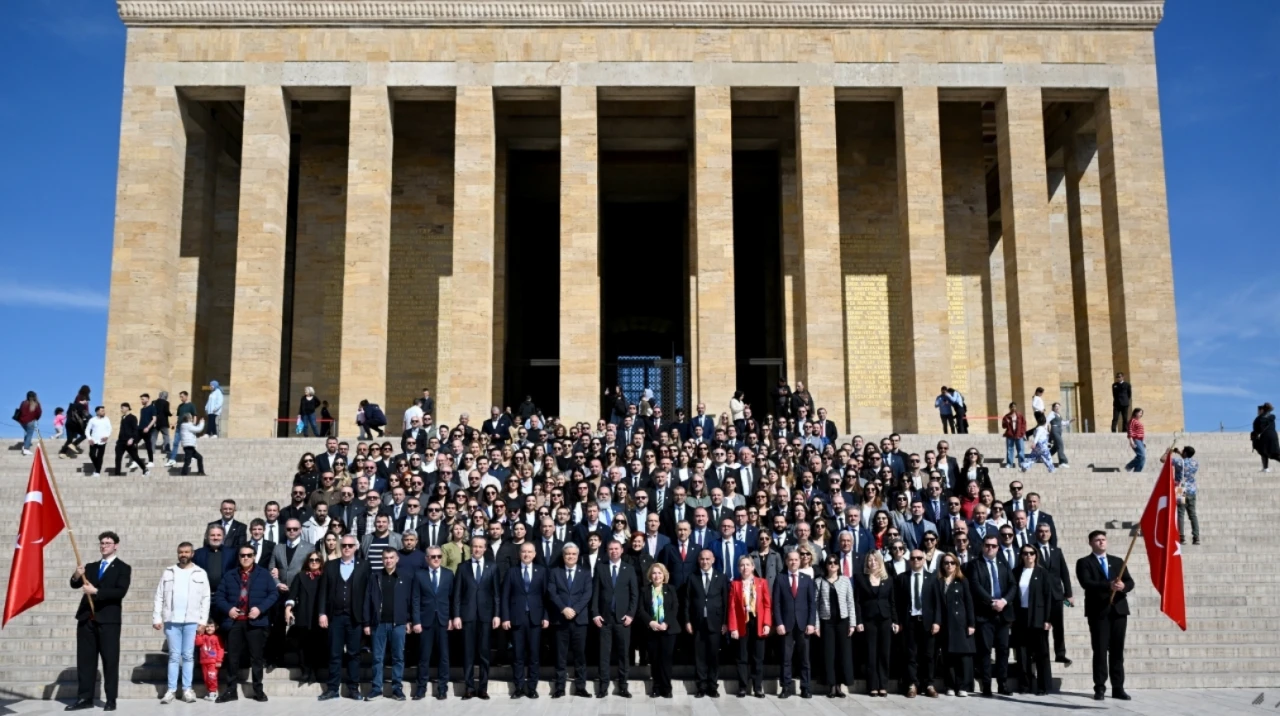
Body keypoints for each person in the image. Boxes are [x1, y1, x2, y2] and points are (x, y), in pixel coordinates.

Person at [66, 531, 132, 713]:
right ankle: (84, 698)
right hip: (86, 620)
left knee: (110, 661)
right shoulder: (91, 566)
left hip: (108, 621)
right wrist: (77, 575)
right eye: (102, 543)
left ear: (116, 545)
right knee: (85, 661)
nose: (104, 546)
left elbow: (120, 592)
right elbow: (74, 584)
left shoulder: (123, 568)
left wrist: (96, 592)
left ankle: (111, 699)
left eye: (108, 543)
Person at [213, 543, 277, 702]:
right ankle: (230, 691)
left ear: (254, 557)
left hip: (256, 623)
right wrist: (229, 610)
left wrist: (260, 609)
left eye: (249, 555)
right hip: (235, 622)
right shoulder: (230, 575)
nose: (246, 558)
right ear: (239, 557)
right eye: (242, 555)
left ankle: (258, 690)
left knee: (256, 658)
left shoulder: (263, 574)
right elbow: (219, 597)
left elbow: (273, 594)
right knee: (233, 658)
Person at [1075, 530, 1133, 701]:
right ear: (1091, 543)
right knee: (1100, 650)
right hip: (1098, 611)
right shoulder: (1084, 562)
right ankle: (1099, 687)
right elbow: (1087, 583)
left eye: (1103, 539)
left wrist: (1123, 586)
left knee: (1117, 651)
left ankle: (1118, 687)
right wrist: (1109, 586)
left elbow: (1130, 581)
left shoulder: (1118, 561)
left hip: (1119, 611)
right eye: (1097, 540)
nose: (1101, 542)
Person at [152, 542, 210, 704]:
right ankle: (171, 690)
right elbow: (160, 596)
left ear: (192, 554)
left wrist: (203, 621)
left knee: (188, 656)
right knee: (174, 656)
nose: (183, 554)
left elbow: (206, 598)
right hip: (172, 621)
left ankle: (187, 689)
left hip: (192, 620)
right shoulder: (169, 572)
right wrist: (157, 617)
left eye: (186, 552)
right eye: (180, 552)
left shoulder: (200, 573)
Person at [317, 535, 371, 701]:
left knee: (354, 654)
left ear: (356, 547)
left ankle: (353, 688)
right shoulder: (331, 566)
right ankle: (332, 688)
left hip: (355, 618)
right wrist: (322, 613)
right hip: (335, 617)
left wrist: (366, 620)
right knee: (334, 653)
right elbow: (323, 591)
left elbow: (368, 594)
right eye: (344, 545)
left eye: (350, 545)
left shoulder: (364, 565)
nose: (347, 548)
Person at [454, 535, 500, 699]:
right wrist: (456, 615)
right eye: (475, 546)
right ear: (470, 548)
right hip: (467, 616)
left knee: (484, 653)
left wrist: (496, 614)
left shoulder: (492, 567)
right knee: (468, 653)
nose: (477, 549)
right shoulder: (462, 567)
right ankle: (469, 687)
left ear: (485, 548)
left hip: (486, 616)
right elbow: (457, 594)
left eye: (481, 547)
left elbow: (496, 594)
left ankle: (483, 687)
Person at [591, 539, 638, 697]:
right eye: (610, 549)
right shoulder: (601, 568)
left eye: (616, 548)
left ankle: (623, 685)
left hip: (623, 619)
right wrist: (595, 613)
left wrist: (631, 614)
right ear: (607, 551)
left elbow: (634, 594)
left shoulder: (629, 569)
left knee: (623, 654)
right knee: (604, 653)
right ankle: (603, 686)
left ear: (621, 550)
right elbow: (595, 592)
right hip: (604, 619)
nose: (614, 551)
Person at [363, 548, 412, 701]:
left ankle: (397, 689)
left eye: (391, 558)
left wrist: (409, 620)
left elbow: (410, 600)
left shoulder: (405, 576)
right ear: (382, 560)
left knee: (398, 657)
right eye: (385, 558)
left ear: (397, 559)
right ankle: (376, 688)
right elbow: (367, 601)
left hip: (398, 624)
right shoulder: (375, 577)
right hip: (379, 624)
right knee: (378, 657)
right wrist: (366, 622)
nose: (388, 560)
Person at [502, 543, 549, 698]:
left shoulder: (541, 571)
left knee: (534, 655)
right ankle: (519, 687)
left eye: (530, 551)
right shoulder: (512, 572)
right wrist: (506, 617)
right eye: (524, 552)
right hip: (517, 618)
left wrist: (546, 616)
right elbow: (505, 597)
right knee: (518, 655)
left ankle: (532, 687)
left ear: (534, 554)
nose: (527, 554)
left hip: (535, 618)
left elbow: (546, 596)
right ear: (519, 554)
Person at [969, 535, 1014, 696]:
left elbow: (1012, 585)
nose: (990, 548)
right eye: (987, 545)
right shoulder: (975, 564)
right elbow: (975, 585)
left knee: (1003, 650)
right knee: (985, 651)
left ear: (998, 548)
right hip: (984, 614)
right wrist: (991, 602)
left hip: (1003, 614)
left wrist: (1003, 601)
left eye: (994, 546)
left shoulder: (1003, 564)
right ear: (982, 547)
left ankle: (1003, 684)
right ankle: (986, 685)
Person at [548, 543, 592, 697]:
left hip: (579, 620)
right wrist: (563, 608)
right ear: (563, 555)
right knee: (561, 655)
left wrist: (575, 610)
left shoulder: (585, 573)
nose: (571, 556)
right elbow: (552, 592)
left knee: (580, 655)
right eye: (568, 554)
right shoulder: (555, 572)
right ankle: (559, 688)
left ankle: (580, 687)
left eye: (573, 554)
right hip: (561, 620)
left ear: (577, 556)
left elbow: (587, 594)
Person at [896, 548, 942, 698]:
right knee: (911, 654)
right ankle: (912, 684)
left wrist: (937, 621)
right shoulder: (902, 578)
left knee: (929, 655)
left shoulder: (933, 578)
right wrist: (898, 621)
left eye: (919, 558)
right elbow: (897, 603)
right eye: (913, 558)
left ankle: (928, 684)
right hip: (910, 622)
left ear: (924, 560)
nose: (916, 560)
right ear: (909, 560)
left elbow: (937, 603)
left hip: (927, 622)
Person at [411, 545, 454, 700]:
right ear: (427, 558)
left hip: (443, 620)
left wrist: (451, 617)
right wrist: (416, 620)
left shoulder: (449, 575)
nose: (436, 559)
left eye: (439, 556)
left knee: (444, 657)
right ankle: (421, 688)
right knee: (424, 657)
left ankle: (442, 689)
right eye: (433, 557)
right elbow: (415, 599)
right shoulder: (419, 575)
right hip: (425, 620)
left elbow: (452, 599)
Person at [684, 549, 728, 698]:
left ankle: (712, 686)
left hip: (715, 623)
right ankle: (701, 686)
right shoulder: (692, 577)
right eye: (702, 559)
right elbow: (687, 601)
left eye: (708, 559)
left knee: (714, 656)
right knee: (700, 656)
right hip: (697, 623)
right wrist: (687, 621)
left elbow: (726, 602)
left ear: (713, 560)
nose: (705, 561)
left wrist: (725, 623)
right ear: (698, 560)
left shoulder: (721, 577)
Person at [772, 550, 816, 699]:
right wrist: (778, 623)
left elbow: (812, 604)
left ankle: (806, 688)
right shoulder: (780, 578)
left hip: (804, 624)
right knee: (786, 658)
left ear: (800, 561)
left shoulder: (807, 579)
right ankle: (786, 687)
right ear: (786, 561)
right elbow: (776, 604)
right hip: (786, 624)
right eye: (790, 560)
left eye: (796, 560)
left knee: (805, 659)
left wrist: (811, 623)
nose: (793, 562)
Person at [1011, 545, 1053, 695]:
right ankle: (1025, 685)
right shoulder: (1015, 572)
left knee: (1041, 653)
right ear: (1021, 556)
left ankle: (1043, 686)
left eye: (1031, 553)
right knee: (1022, 653)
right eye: (1025, 553)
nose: (1028, 556)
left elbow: (1049, 597)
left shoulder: (1043, 573)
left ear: (1036, 555)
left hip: (1038, 616)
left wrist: (1048, 619)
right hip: (1020, 616)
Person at [727, 555, 771, 697]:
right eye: (742, 565)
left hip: (757, 621)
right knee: (742, 656)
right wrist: (732, 627)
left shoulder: (762, 582)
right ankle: (742, 687)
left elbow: (767, 605)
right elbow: (732, 607)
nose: (745, 567)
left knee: (758, 657)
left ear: (753, 567)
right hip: (742, 623)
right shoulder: (735, 584)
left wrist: (767, 623)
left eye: (748, 564)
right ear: (739, 568)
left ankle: (758, 687)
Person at [853, 550, 894, 697]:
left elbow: (892, 601)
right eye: (870, 560)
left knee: (884, 653)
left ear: (880, 562)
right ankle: (872, 686)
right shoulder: (860, 578)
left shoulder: (888, 579)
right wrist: (858, 621)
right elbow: (857, 602)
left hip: (885, 619)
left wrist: (895, 620)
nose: (872, 563)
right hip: (868, 619)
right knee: (871, 653)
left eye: (875, 560)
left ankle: (883, 685)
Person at [815, 555, 856, 697]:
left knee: (842, 654)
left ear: (839, 566)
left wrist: (852, 624)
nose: (832, 565)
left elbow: (850, 602)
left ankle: (840, 685)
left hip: (842, 621)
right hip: (827, 621)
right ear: (826, 566)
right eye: (829, 563)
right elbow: (815, 605)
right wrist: (816, 625)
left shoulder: (845, 581)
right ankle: (831, 686)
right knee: (829, 653)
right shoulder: (819, 581)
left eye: (835, 563)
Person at [283, 551, 326, 684]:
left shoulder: (324, 577)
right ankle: (305, 670)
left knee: (317, 644)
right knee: (303, 645)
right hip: (304, 614)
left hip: (318, 615)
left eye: (317, 560)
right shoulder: (300, 576)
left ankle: (315, 671)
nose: (314, 562)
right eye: (311, 560)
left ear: (321, 563)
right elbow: (292, 595)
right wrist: (288, 608)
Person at [1035, 523, 1074, 666]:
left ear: (1050, 534)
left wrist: (1068, 594)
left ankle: (1060, 654)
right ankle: (1040, 653)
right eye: (1041, 531)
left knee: (1059, 626)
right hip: (1040, 595)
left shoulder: (1057, 551)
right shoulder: (1032, 550)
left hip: (1057, 594)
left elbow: (1064, 572)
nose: (1044, 534)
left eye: (1046, 531)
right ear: (1036, 533)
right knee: (1041, 626)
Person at [638, 563, 678, 698]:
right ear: (650, 575)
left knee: (666, 660)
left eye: (660, 573)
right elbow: (641, 609)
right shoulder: (644, 590)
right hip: (652, 630)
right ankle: (656, 687)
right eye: (654, 573)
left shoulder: (670, 589)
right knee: (654, 660)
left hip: (668, 630)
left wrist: (666, 623)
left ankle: (667, 688)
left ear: (664, 575)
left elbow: (674, 608)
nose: (657, 576)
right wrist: (651, 622)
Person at [937, 552, 975, 696]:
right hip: (945, 623)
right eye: (946, 562)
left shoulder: (962, 580)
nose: (949, 565)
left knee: (962, 657)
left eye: (952, 562)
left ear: (957, 564)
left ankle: (962, 686)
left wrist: (971, 623)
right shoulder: (939, 581)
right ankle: (950, 685)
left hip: (960, 623)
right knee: (948, 656)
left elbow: (969, 603)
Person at [1170, 446, 1200, 545]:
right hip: (1192, 490)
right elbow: (1185, 462)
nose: (1181, 452)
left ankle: (1181, 537)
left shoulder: (1179, 462)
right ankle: (1196, 537)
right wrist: (1179, 453)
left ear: (1186, 453)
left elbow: (1163, 460)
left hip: (1181, 489)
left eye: (1183, 451)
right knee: (1192, 514)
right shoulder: (1195, 463)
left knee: (1180, 513)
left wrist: (1168, 452)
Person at [113, 402, 145, 476]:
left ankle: (144, 469)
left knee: (135, 457)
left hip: (129, 441)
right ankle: (117, 473)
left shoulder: (132, 417)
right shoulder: (123, 417)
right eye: (121, 408)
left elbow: (135, 429)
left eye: (122, 407)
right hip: (121, 441)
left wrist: (132, 439)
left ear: (127, 408)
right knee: (118, 457)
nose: (121, 409)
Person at [61, 385, 92, 458]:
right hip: (76, 423)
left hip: (70, 422)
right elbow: (84, 412)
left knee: (69, 439)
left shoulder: (77, 398)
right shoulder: (82, 400)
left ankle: (63, 452)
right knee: (86, 433)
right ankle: (74, 444)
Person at [196, 622, 224, 701]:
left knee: (212, 677)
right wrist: (199, 634)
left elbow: (220, 649)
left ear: (215, 627)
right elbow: (198, 643)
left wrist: (219, 660)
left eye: (212, 626)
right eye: (207, 626)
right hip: (204, 662)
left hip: (213, 662)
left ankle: (213, 692)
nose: (209, 628)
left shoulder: (216, 638)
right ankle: (209, 692)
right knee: (206, 678)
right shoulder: (203, 636)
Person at [85, 405, 112, 478]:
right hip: (93, 440)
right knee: (92, 455)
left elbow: (109, 429)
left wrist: (107, 436)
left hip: (102, 441)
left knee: (100, 457)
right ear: (97, 412)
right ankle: (98, 467)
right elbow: (87, 430)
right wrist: (89, 438)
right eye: (102, 411)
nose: (103, 412)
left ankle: (97, 472)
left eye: (104, 410)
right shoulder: (92, 420)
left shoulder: (106, 419)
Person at [1252, 403, 1279, 472]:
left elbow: (1256, 430)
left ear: (1262, 410)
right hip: (1273, 435)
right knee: (1274, 454)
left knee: (1263, 452)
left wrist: (1254, 437)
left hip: (1265, 436)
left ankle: (1266, 468)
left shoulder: (1258, 419)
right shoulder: (1272, 417)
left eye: (1258, 411)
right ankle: (1265, 468)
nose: (1257, 412)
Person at [1001, 403, 1026, 469]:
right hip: (1010, 435)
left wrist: (1022, 432)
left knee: (1020, 449)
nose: (1013, 408)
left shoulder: (1020, 415)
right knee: (1010, 449)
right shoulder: (1006, 416)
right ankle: (1010, 463)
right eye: (1012, 407)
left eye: (1014, 407)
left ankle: (1021, 463)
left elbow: (1024, 424)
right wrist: (1006, 422)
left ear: (1016, 407)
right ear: (1010, 408)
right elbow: (1003, 426)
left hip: (1019, 434)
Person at [16, 390, 42, 456]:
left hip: (22, 422)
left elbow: (20, 410)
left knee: (27, 433)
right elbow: (39, 413)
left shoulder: (23, 403)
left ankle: (25, 445)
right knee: (29, 434)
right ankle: (26, 449)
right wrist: (36, 419)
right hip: (30, 422)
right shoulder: (36, 404)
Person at [1124, 408, 1146, 472]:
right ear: (1135, 413)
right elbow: (1130, 431)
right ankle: (1129, 466)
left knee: (1143, 458)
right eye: (1139, 413)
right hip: (1135, 440)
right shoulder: (1132, 421)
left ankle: (1137, 472)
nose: (1141, 414)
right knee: (1141, 456)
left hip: (1140, 441)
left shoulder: (1138, 421)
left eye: (1141, 413)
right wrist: (1131, 441)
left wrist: (1142, 442)